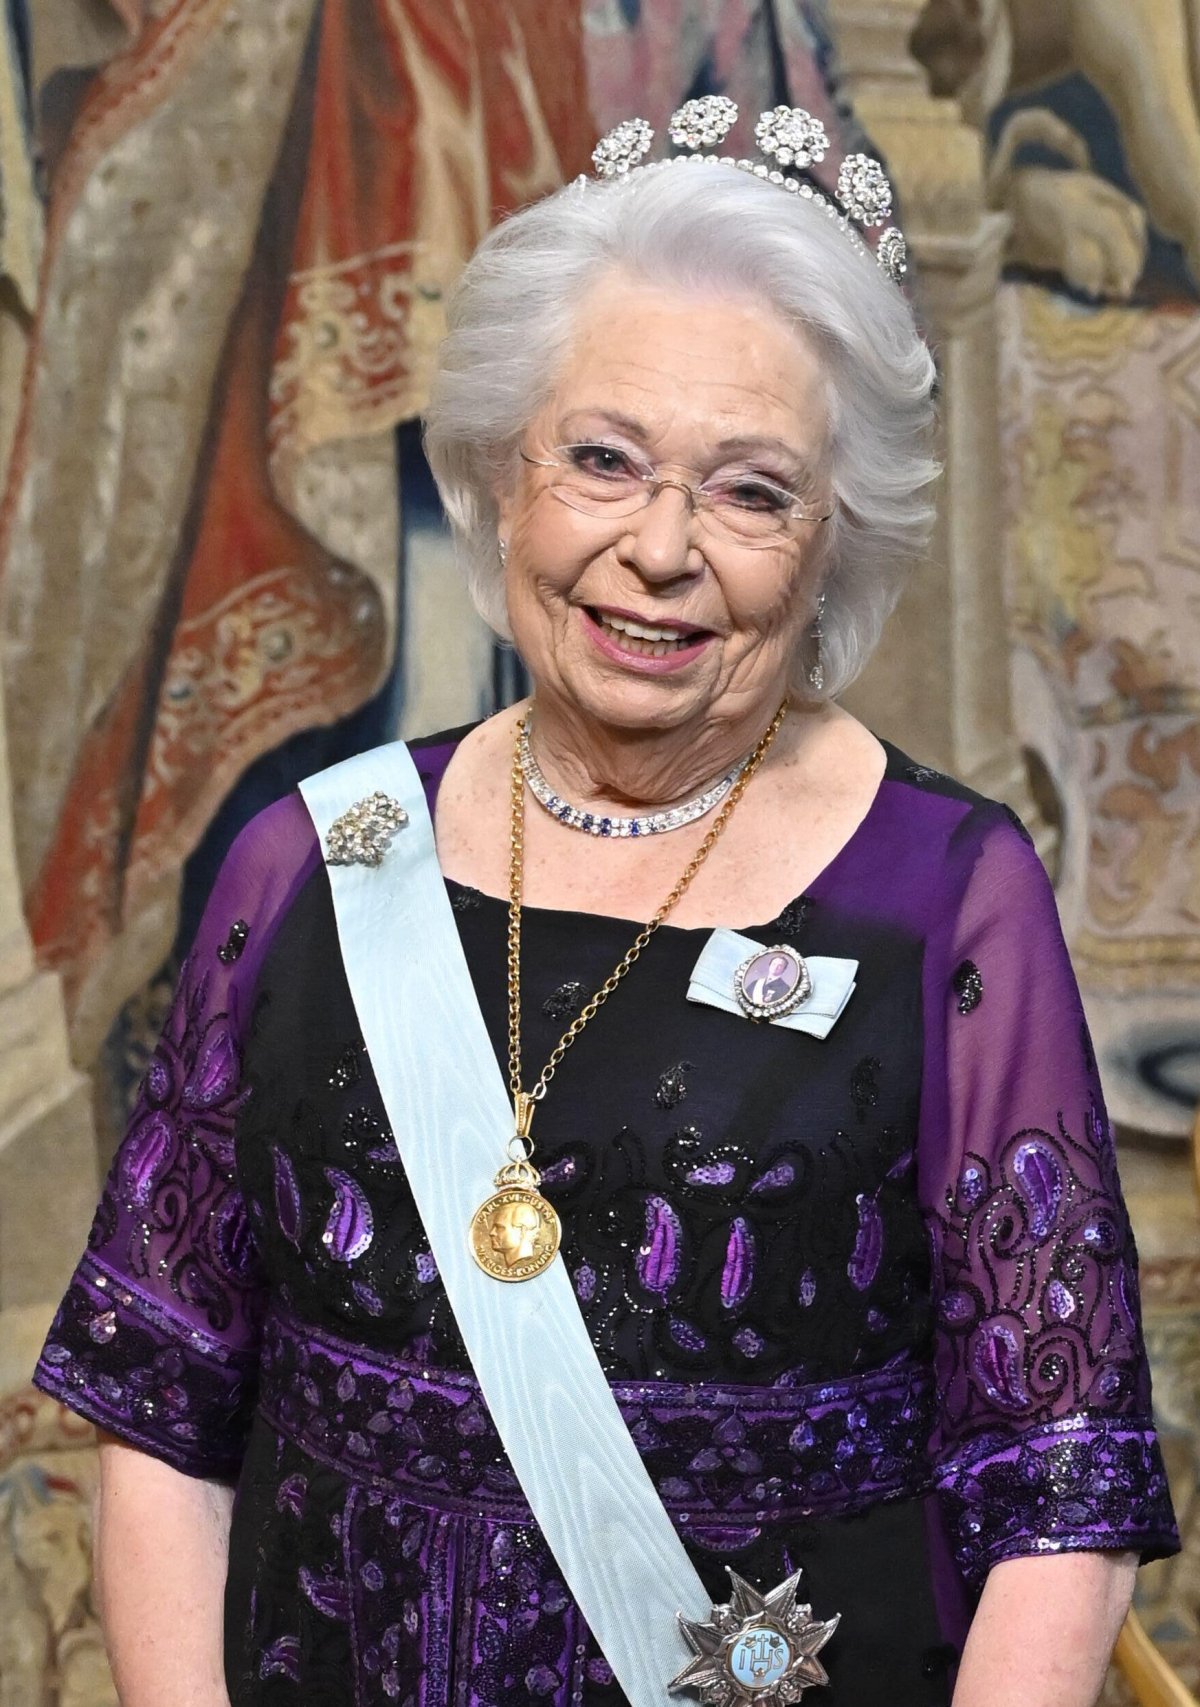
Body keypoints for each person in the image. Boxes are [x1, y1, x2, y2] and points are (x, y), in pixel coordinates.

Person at [33, 97, 1177, 1707]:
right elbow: (159, 1397)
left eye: (750, 492)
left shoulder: (945, 897)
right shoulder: (314, 859)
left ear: (832, 545)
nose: (659, 550)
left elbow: (1058, 1479)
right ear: (503, 482)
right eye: (603, 460)